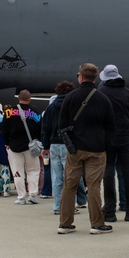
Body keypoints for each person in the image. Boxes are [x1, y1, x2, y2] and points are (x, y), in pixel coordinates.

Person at [57, 63, 115, 235]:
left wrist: (70, 143)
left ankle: (65, 224)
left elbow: (61, 124)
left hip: (75, 148)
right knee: (94, 186)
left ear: (80, 77)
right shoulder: (103, 99)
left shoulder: (70, 97)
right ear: (95, 77)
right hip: (97, 148)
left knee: (69, 185)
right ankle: (97, 223)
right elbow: (111, 126)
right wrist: (106, 145)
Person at [98, 64, 129, 223]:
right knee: (127, 173)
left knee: (108, 171)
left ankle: (109, 211)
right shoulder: (128, 93)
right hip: (125, 137)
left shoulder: (101, 93)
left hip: (107, 137)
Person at [41, 82, 88, 215]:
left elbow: (45, 128)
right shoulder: (73, 105)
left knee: (57, 177)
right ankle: (70, 205)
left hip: (54, 144)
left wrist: (45, 146)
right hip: (70, 145)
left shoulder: (51, 107)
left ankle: (57, 206)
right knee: (71, 176)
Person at [2, 90, 42, 205]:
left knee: (17, 172)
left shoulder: (9, 111)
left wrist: (6, 143)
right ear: (29, 98)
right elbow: (40, 128)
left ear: (18, 98)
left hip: (14, 146)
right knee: (33, 171)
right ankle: (33, 195)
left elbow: (5, 129)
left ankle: (21, 197)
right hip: (31, 146)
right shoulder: (36, 111)